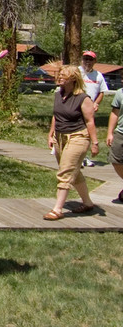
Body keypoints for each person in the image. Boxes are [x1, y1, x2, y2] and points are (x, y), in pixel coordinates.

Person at [44, 62, 99, 220]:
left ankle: (57, 209)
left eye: (64, 75)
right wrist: (51, 134)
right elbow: (56, 115)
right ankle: (88, 203)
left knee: (65, 172)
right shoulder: (58, 94)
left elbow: (90, 122)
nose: (60, 77)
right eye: (59, 74)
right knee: (74, 171)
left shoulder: (83, 98)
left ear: (73, 79)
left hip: (78, 137)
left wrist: (95, 143)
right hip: (60, 137)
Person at [107, 83, 123, 204]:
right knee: (116, 160)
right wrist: (110, 133)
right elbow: (114, 113)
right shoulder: (119, 93)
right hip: (121, 132)